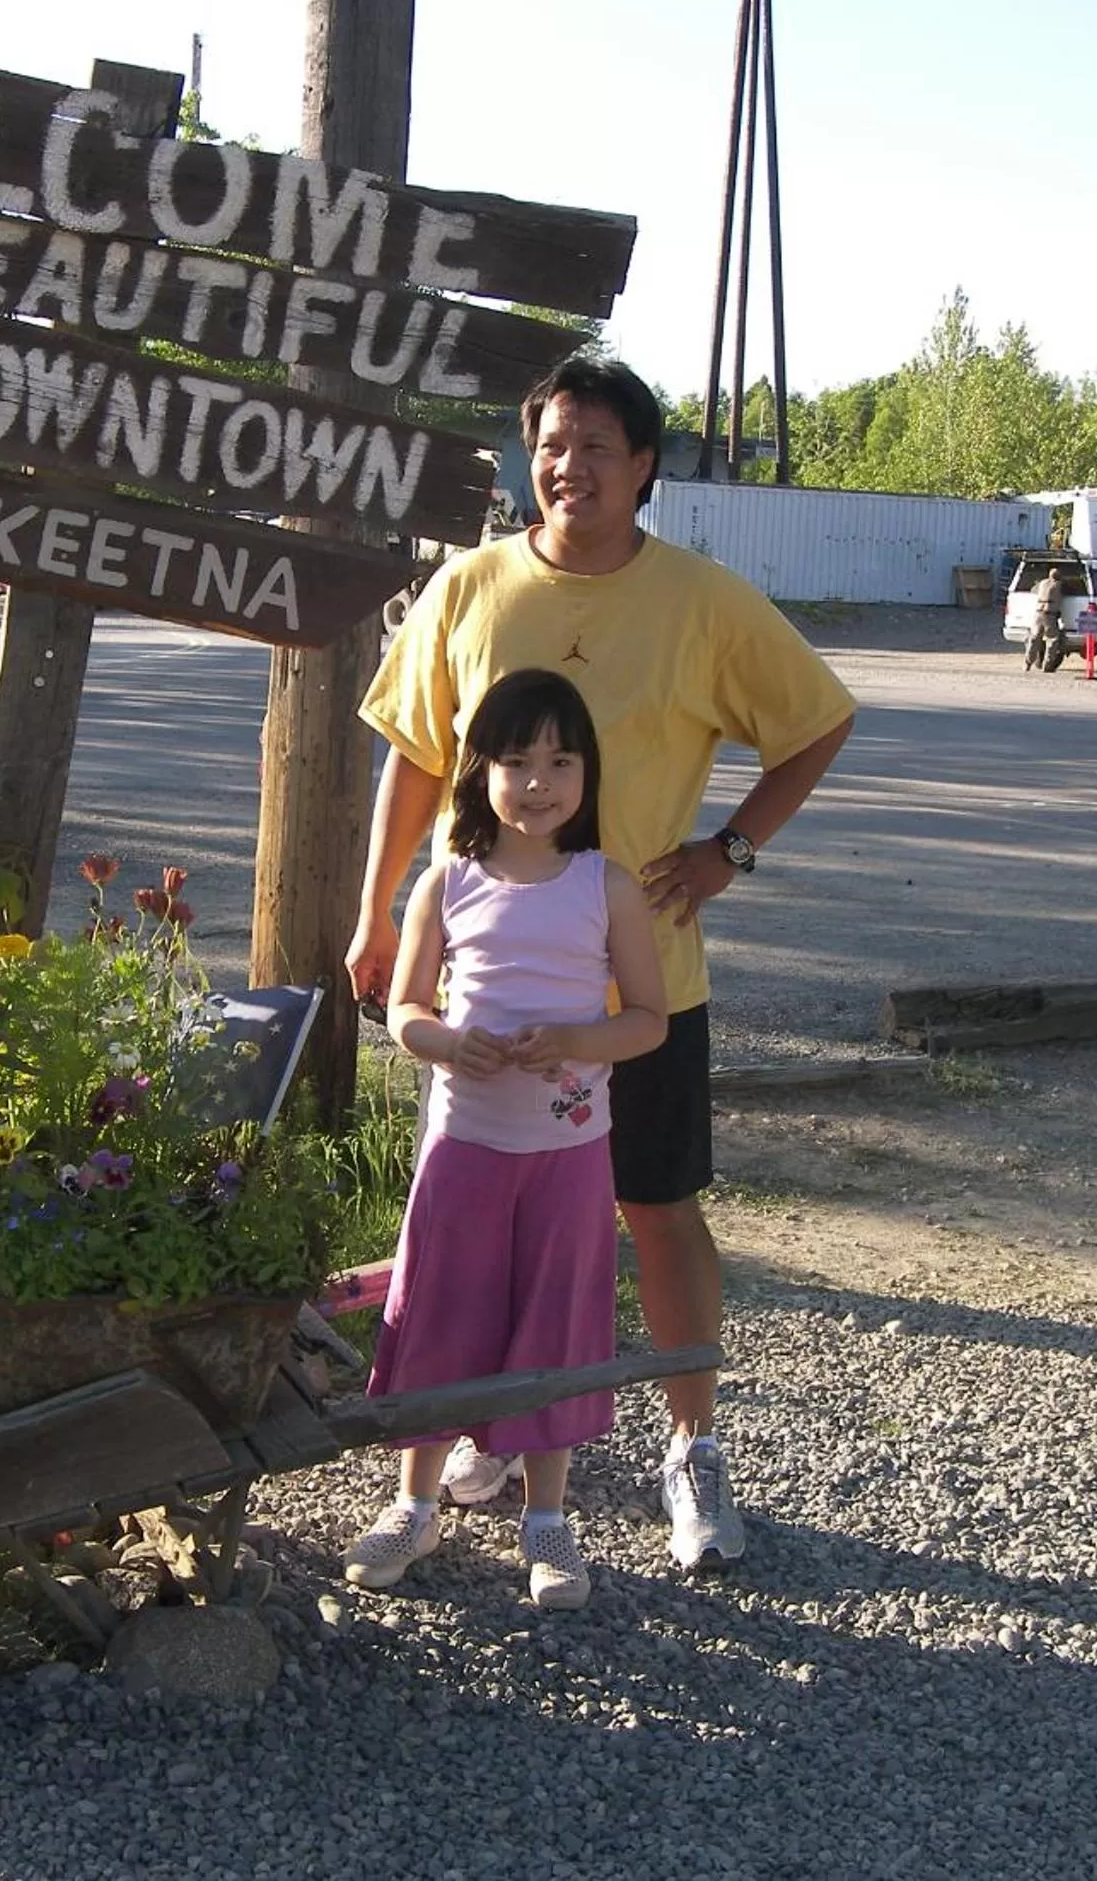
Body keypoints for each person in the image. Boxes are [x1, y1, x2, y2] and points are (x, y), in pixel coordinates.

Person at [350, 354, 856, 1572]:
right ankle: (486, 1422)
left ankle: (693, 1445)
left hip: (641, 990)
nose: (569, 466)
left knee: (654, 1210)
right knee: (484, 1221)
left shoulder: (701, 600)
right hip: (489, 1003)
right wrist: (375, 918)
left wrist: (731, 847)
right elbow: (414, 765)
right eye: (551, 443)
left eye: (595, 446)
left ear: (644, 468)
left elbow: (816, 719)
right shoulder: (469, 589)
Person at [343, 667, 668, 1609]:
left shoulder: (606, 885)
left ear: (587, 773)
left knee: (555, 1327)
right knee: (442, 1309)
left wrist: (576, 1039)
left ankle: (547, 1518)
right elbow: (402, 1007)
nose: (539, 782)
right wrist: (445, 1040)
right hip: (464, 1146)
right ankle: (416, 1500)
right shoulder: (446, 880)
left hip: (570, 1155)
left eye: (560, 760)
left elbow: (647, 1019)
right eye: (516, 761)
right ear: (477, 772)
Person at [1025, 564, 1067, 673]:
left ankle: (1027, 663)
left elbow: (1033, 589)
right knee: (1052, 640)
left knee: (1034, 639)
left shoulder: (1042, 583)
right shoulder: (1059, 584)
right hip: (1050, 615)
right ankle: (1047, 666)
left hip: (1038, 614)